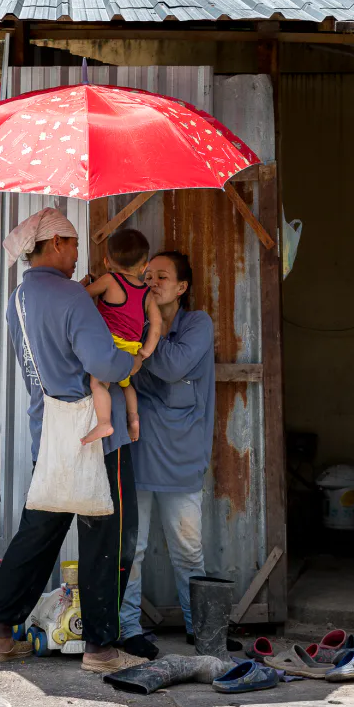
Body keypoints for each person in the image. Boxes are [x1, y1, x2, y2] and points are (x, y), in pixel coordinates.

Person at [0, 208, 141, 674]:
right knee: (104, 536)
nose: (77, 253)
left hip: (46, 431)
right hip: (93, 433)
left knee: (38, 534)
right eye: (72, 244)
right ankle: (101, 649)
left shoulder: (17, 299)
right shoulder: (73, 296)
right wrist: (131, 360)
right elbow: (105, 365)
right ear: (55, 245)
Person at [117, 251, 215, 660]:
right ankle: (127, 628)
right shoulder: (136, 320)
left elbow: (173, 366)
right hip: (137, 450)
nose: (152, 282)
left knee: (188, 548)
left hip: (182, 453)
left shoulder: (198, 324)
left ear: (182, 287)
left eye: (161, 276)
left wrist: (138, 340)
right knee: (132, 548)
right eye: (146, 275)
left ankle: (202, 628)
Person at [81, 228, 162, 446]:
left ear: (107, 262)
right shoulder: (146, 292)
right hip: (132, 349)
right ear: (144, 267)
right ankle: (133, 418)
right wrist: (145, 351)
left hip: (109, 346)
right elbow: (156, 324)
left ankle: (104, 422)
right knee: (126, 385)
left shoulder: (109, 280)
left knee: (98, 383)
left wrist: (84, 284)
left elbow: (83, 297)